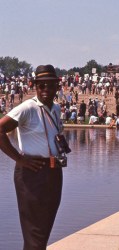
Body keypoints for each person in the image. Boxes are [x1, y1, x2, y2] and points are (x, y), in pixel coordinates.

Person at [0, 65, 65, 249]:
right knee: (34, 231)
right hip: (32, 171)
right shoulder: (28, 107)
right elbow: (0, 128)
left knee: (43, 230)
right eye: (41, 85)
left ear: (56, 87)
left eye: (49, 85)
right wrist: (19, 159)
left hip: (53, 171)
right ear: (35, 86)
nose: (45, 89)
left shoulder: (56, 109)